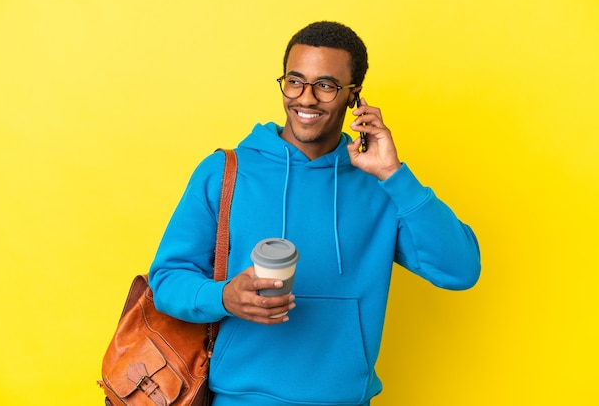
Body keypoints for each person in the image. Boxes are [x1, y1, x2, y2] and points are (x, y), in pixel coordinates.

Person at [149, 21, 481, 406]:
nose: (305, 99)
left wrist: (393, 174)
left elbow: (460, 270)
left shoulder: (380, 185)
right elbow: (167, 280)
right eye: (295, 81)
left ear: (354, 96)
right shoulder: (224, 172)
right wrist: (224, 296)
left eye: (325, 85)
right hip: (240, 398)